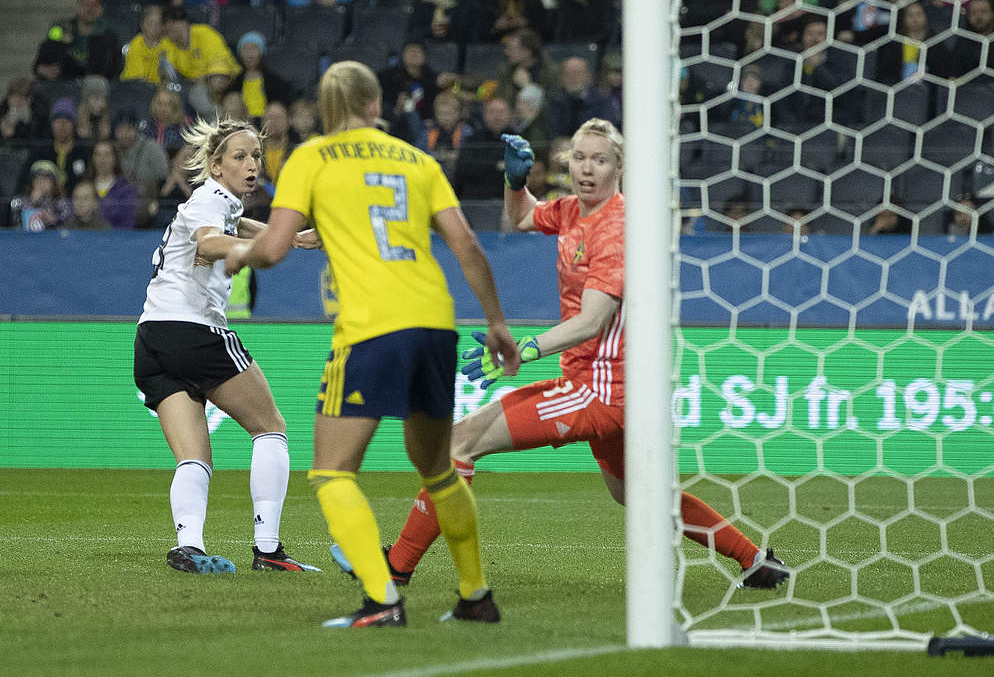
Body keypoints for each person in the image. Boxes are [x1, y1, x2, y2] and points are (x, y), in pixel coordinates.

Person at [358, 122, 791, 592]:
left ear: (620, 167)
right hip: (612, 389)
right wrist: (515, 183)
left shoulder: (616, 231)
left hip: (596, 392)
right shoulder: (572, 211)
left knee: (458, 442)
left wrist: (522, 349)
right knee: (640, 495)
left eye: (599, 160)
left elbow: (592, 321)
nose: (587, 169)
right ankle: (755, 562)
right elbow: (522, 218)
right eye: (579, 157)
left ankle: (396, 566)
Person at [223, 60, 519, 627]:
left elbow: (275, 247)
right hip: (435, 324)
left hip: (370, 330)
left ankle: (383, 602)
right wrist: (498, 323)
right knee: (438, 470)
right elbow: (468, 247)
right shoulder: (419, 160)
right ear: (376, 105)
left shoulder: (310, 158)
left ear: (327, 111)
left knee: (332, 473)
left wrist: (235, 252)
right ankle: (475, 596)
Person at [134, 115, 321, 575]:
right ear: (216, 167)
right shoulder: (210, 199)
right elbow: (211, 239)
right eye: (239, 157)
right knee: (270, 427)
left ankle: (189, 547)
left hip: (151, 337)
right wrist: (244, 253)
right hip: (193, 330)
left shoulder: (216, 201)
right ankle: (269, 550)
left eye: (256, 155)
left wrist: (288, 237)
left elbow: (234, 223)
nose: (252, 164)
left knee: (194, 456)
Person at [43, 0, 123, 80]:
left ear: (101, 10)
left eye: (94, 5)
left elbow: (115, 68)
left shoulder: (109, 36)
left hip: (94, 86)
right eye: (85, 4)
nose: (90, 9)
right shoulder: (60, 28)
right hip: (63, 83)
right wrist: (41, 69)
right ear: (77, 7)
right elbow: (46, 50)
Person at [88, 138, 141, 229]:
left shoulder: (127, 189)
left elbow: (128, 222)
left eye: (107, 155)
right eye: (98, 154)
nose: (102, 159)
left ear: (115, 158)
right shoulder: (84, 186)